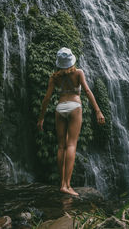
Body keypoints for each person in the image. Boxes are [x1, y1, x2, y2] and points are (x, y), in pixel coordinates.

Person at [37, 47, 105, 196]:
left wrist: (41, 118)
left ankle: (61, 183)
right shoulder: (78, 72)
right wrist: (98, 111)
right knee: (72, 144)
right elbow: (87, 91)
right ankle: (67, 185)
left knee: (61, 146)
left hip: (60, 108)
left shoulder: (54, 77)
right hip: (75, 106)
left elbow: (47, 98)